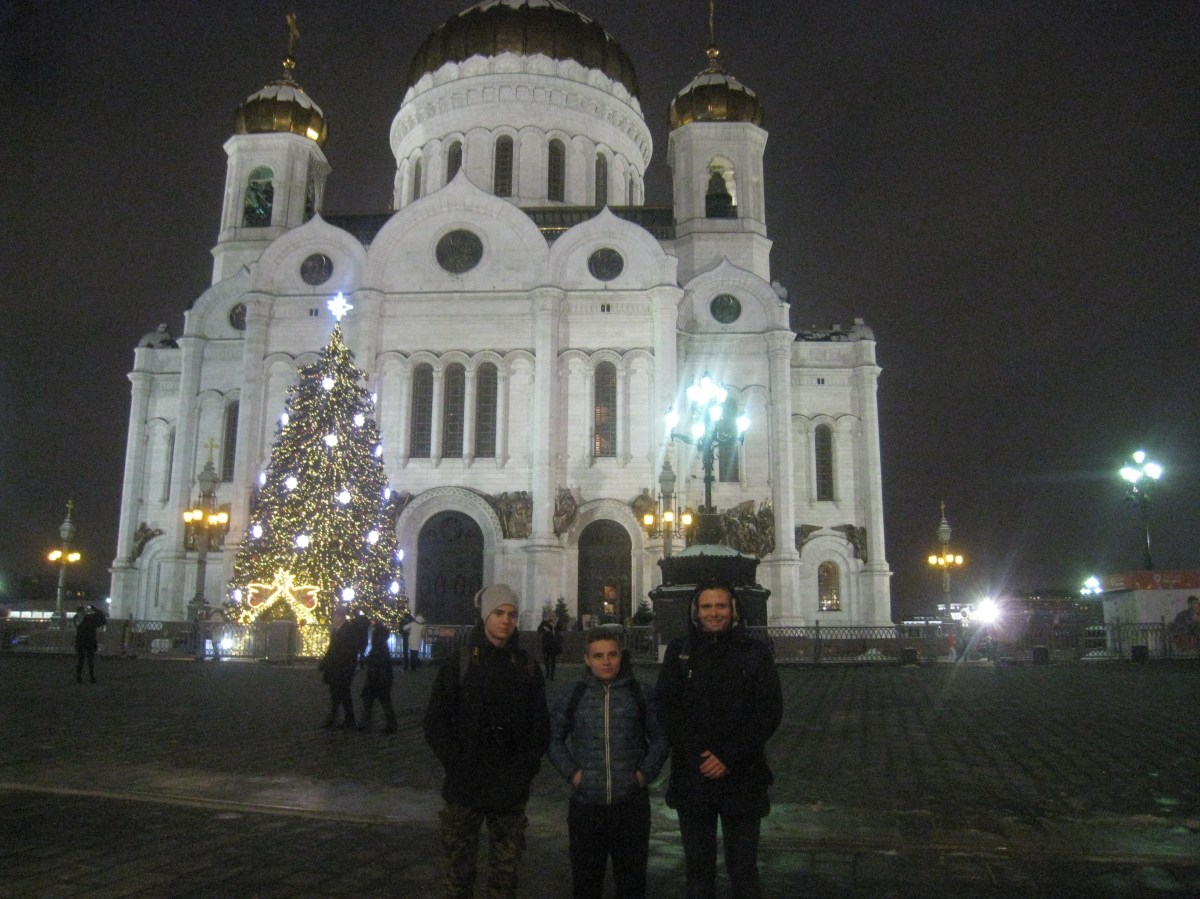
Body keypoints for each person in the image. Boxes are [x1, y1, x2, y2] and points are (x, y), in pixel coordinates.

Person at [656, 580, 783, 899]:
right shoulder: (680, 652)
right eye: (707, 606)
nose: (714, 613)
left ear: (733, 610)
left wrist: (727, 755)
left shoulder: (754, 652)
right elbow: (668, 709)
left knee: (744, 869)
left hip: (742, 777)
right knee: (698, 871)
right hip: (693, 778)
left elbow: (768, 711)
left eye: (721, 606)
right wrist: (699, 755)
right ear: (695, 612)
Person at [424, 583, 550, 899]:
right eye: (499, 613)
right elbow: (435, 721)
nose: (506, 620)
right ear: (485, 617)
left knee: (505, 879)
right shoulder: (459, 663)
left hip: (509, 786)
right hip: (465, 784)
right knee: (458, 877)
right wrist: (456, 762)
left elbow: (539, 726)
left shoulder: (526, 666)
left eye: (512, 614)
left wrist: (525, 769)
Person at [549, 628, 669, 898]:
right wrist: (573, 774)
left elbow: (661, 738)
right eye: (598, 656)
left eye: (612, 655)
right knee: (586, 884)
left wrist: (642, 775)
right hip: (586, 808)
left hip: (631, 807)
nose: (606, 661)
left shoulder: (641, 693)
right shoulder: (574, 695)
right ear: (586, 659)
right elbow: (553, 738)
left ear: (621, 656)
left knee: (632, 884)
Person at [319, 610, 364, 729]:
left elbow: (344, 651)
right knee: (339, 695)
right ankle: (341, 719)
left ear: (341, 617)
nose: (333, 619)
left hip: (342, 669)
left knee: (341, 694)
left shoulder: (347, 631)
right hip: (338, 668)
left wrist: (330, 663)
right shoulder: (340, 630)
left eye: (335, 617)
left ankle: (343, 719)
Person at [359, 621, 398, 734]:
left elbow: (376, 661)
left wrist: (366, 660)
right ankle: (368, 722)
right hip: (380, 677)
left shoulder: (378, 646)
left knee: (376, 701)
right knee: (375, 701)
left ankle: (368, 722)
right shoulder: (382, 645)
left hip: (377, 678)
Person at [73, 603, 107, 684]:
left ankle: (79, 677)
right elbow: (102, 618)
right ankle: (91, 677)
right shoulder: (90, 618)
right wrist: (94, 609)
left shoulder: (77, 618)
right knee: (90, 660)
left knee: (81, 660)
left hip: (81, 641)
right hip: (90, 641)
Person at [537, 614, 561, 681]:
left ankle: (552, 675)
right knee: (546, 660)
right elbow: (539, 629)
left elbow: (561, 628)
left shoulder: (556, 624)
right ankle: (547, 672)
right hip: (546, 646)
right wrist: (544, 626)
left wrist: (556, 623)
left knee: (553, 661)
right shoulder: (545, 624)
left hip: (554, 646)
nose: (552, 617)